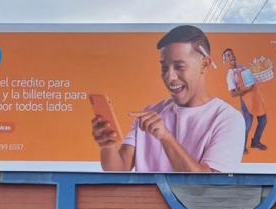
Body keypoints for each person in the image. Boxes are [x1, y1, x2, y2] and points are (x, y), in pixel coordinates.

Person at [92, 25, 245, 173]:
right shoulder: (151, 113)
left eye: (179, 66)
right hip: (145, 200)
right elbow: (119, 168)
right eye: (164, 67)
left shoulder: (228, 119)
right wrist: (108, 144)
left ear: (204, 64)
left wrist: (166, 138)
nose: (169, 76)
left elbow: (206, 188)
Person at [222, 48, 268, 153]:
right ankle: (241, 147)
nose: (231, 56)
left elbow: (252, 79)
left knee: (263, 120)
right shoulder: (230, 74)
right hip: (247, 100)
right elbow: (233, 93)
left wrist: (259, 73)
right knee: (247, 124)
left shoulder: (243, 67)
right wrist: (245, 89)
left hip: (256, 97)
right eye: (228, 55)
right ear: (225, 60)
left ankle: (255, 142)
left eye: (232, 54)